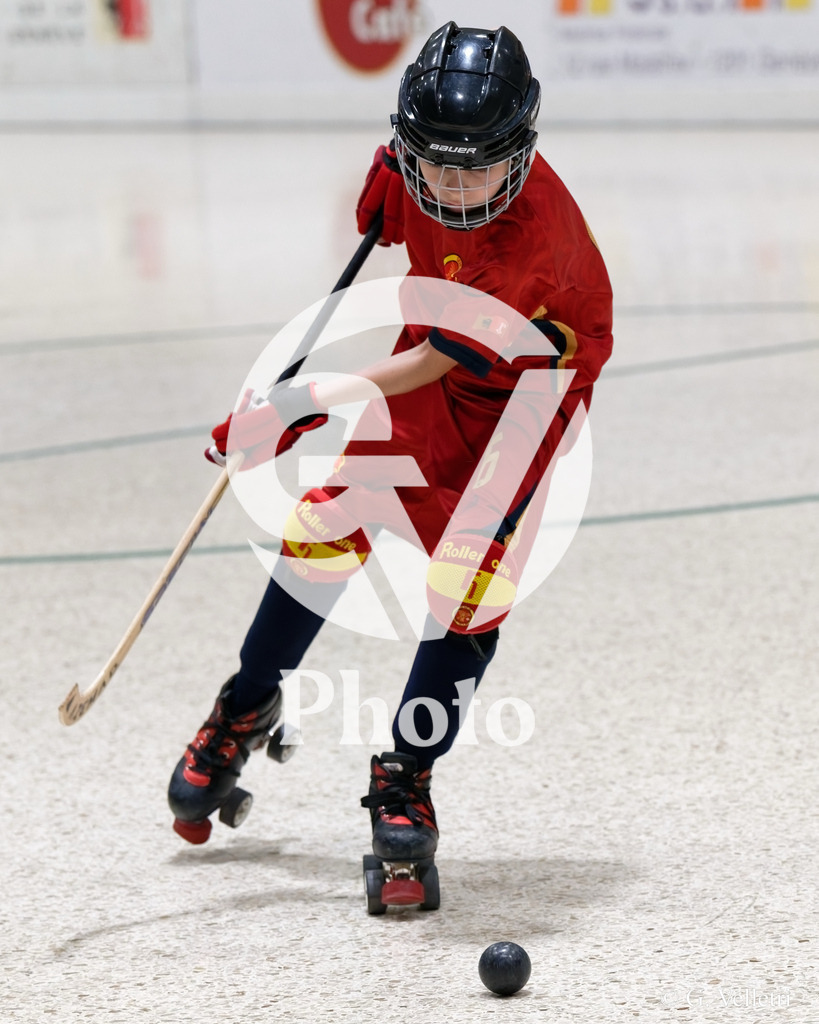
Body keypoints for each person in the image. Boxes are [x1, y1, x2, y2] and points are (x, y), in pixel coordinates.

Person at [167, 22, 613, 911]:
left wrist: (291, 406)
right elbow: (394, 242)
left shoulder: (536, 254)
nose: (450, 186)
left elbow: (427, 366)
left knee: (466, 587)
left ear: (520, 152)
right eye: (431, 162)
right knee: (327, 523)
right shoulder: (418, 169)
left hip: (524, 397)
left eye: (475, 166)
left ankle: (406, 773)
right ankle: (245, 704)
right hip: (438, 353)